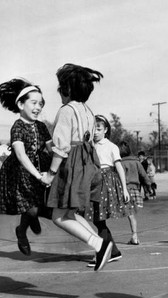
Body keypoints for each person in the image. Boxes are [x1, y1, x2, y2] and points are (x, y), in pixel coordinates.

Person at [40, 63, 113, 271]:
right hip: (87, 163)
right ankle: (102, 245)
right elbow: (79, 140)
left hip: (71, 165)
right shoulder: (88, 111)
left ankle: (100, 244)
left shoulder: (66, 110)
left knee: (59, 216)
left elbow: (62, 147)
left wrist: (51, 174)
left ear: (67, 89)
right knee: (70, 214)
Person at [0, 78, 52, 255]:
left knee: (37, 206)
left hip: (38, 168)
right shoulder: (18, 127)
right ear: (21, 104)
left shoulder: (42, 126)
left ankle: (31, 217)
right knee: (33, 207)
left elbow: (51, 148)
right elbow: (21, 155)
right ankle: (21, 231)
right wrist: (38, 176)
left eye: (41, 104)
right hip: (19, 172)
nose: (38, 107)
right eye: (33, 102)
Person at [85, 115, 129, 267]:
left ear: (105, 130)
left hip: (106, 183)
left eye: (99, 129)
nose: (96, 132)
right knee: (98, 219)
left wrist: (125, 189)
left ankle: (102, 253)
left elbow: (119, 168)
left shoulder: (111, 146)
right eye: (93, 129)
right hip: (93, 182)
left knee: (99, 219)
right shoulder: (90, 145)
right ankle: (114, 251)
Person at [119, 141, 152, 245]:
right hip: (135, 189)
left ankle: (134, 236)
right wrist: (149, 186)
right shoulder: (136, 162)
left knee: (130, 215)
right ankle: (134, 236)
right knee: (131, 214)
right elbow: (144, 175)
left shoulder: (120, 163)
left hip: (125, 190)